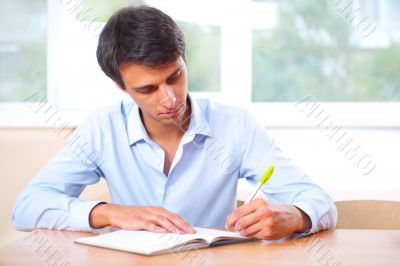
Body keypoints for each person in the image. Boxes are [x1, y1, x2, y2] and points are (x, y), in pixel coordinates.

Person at [13, 6, 337, 240]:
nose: (169, 99)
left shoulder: (234, 125)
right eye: (147, 89)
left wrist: (295, 216)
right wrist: (110, 213)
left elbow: (319, 201)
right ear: (121, 87)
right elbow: (27, 208)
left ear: (184, 60)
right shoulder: (102, 129)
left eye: (175, 76)